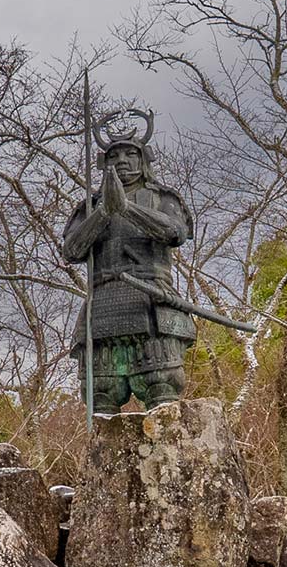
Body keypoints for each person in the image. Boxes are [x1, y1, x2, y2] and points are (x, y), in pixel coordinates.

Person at [61, 129, 195, 414]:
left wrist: (126, 209)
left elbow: (174, 232)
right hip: (104, 304)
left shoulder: (163, 198)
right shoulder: (90, 206)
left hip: (152, 302)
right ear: (104, 163)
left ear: (143, 159)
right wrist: (104, 211)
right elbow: (72, 250)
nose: (122, 160)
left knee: (161, 384)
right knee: (101, 394)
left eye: (130, 153)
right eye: (114, 155)